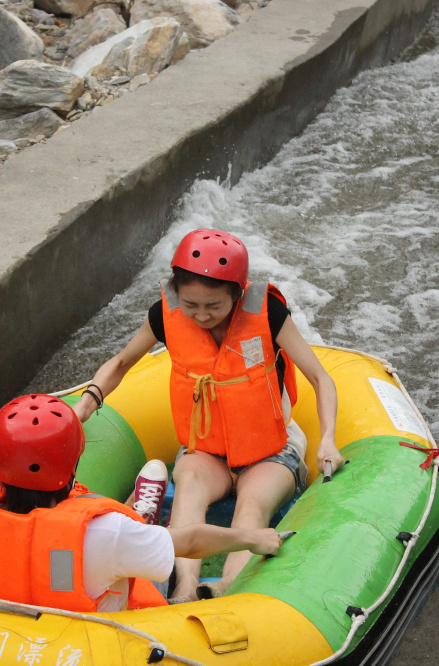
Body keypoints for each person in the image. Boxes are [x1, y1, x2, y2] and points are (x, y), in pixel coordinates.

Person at [72, 229, 345, 602]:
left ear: (237, 292)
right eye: (190, 304)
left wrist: (327, 438)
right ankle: (183, 586)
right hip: (206, 449)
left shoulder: (268, 314)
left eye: (213, 306)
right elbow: (120, 363)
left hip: (271, 450)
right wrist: (87, 401)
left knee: (252, 503)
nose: (201, 315)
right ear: (176, 293)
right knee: (189, 488)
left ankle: (224, 587)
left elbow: (320, 377)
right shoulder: (165, 315)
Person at [0, 393, 283, 613]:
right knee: (134, 546)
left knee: (118, 539)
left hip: (24, 632)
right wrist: (254, 538)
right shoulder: (107, 532)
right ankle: (141, 518)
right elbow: (190, 541)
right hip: (104, 634)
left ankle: (137, 519)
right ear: (72, 459)